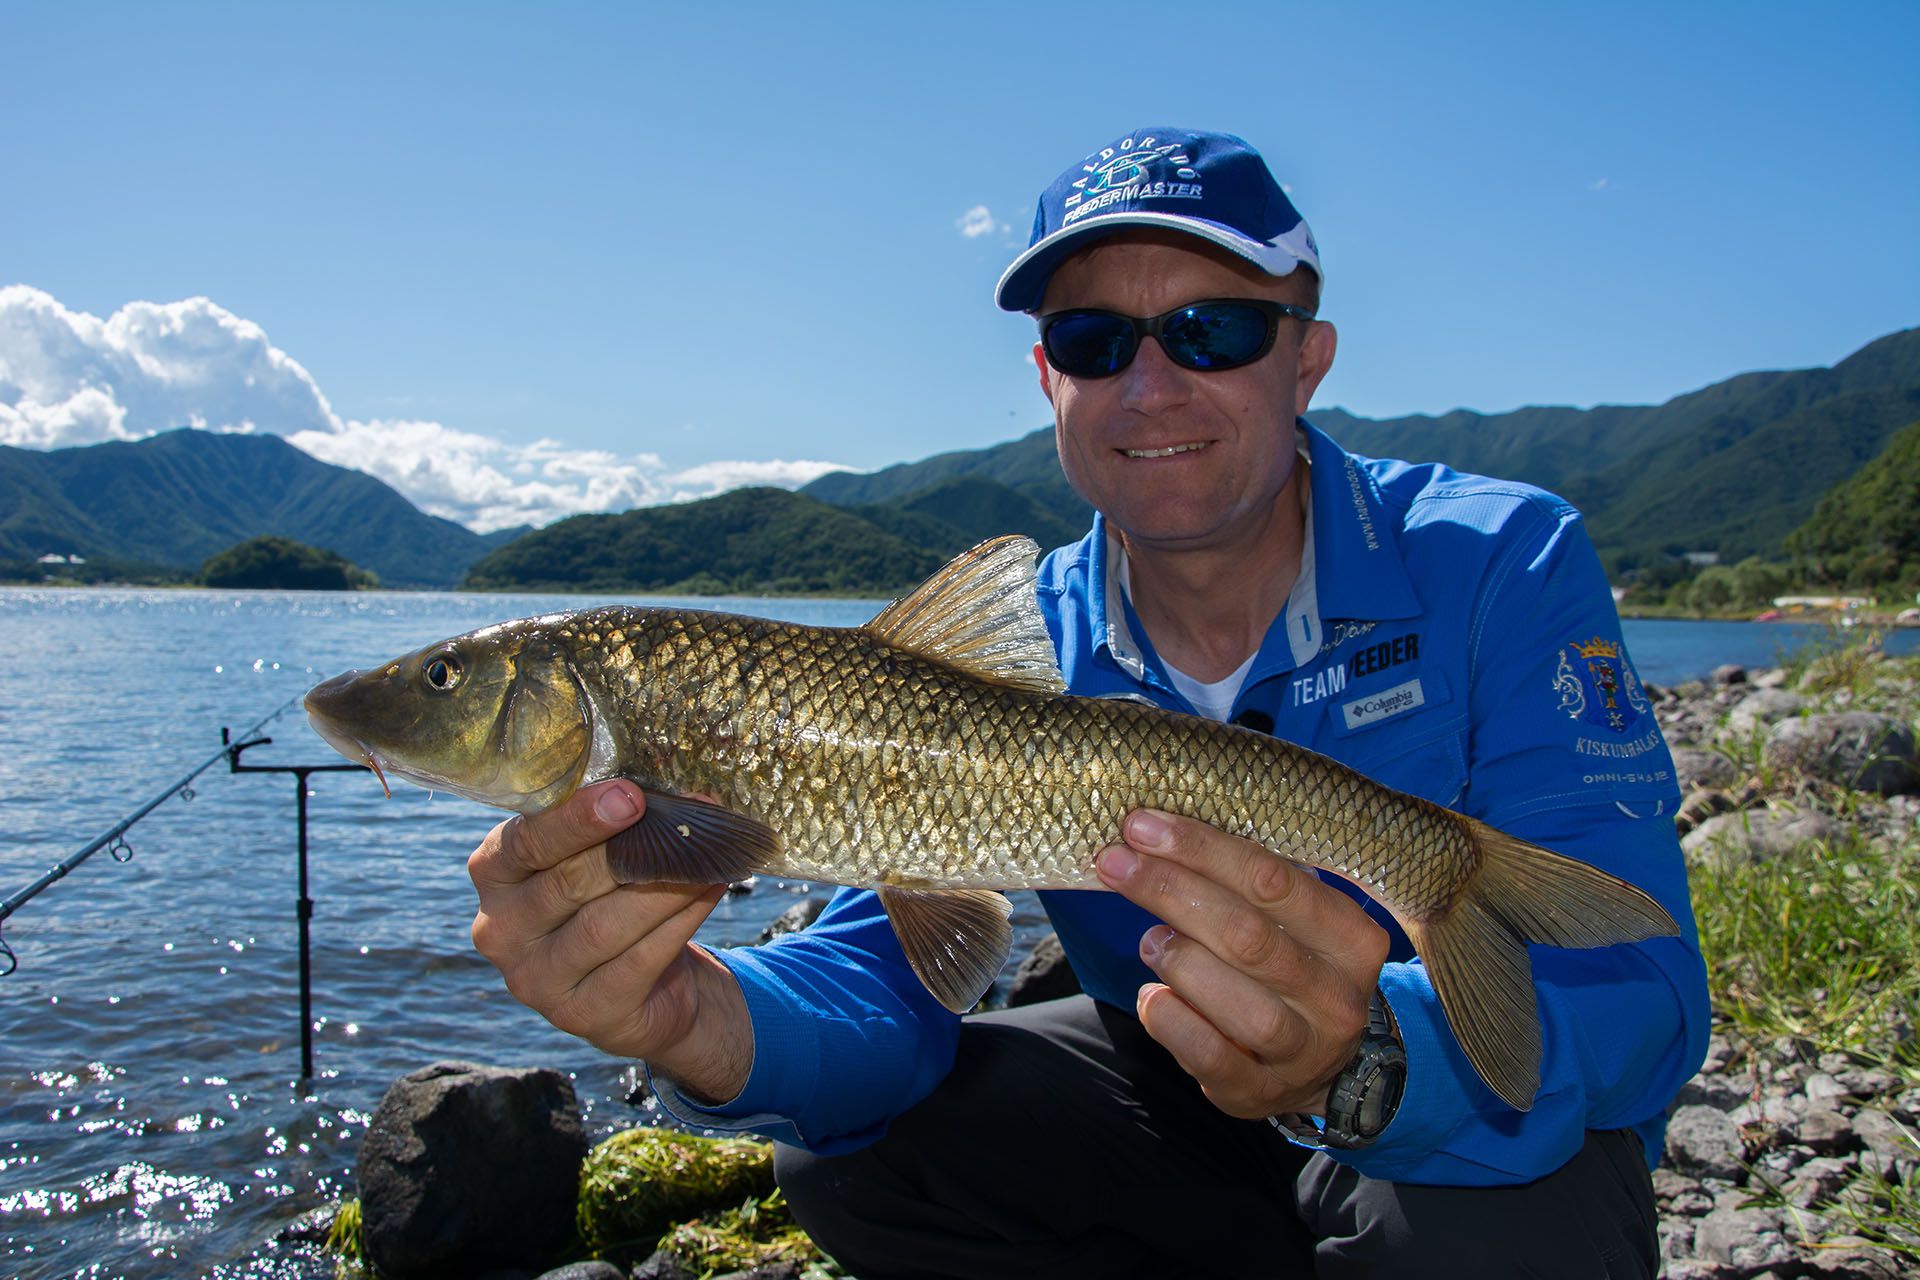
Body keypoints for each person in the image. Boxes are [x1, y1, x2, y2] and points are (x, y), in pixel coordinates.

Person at [467, 127, 1709, 1277]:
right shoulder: (1015, 642)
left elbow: (1639, 1000)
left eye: (1213, 329)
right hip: (1174, 1092)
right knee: (860, 1161)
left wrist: (1370, 1055)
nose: (1149, 385)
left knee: (1502, 1232)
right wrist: (690, 1013)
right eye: (1094, 341)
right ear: (1045, 381)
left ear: (1308, 356)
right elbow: (879, 979)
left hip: (1437, 1122)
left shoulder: (1503, 557)